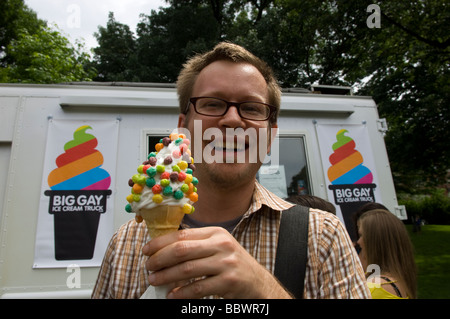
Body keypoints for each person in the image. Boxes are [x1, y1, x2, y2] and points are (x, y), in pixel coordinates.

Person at [92, 42, 370, 299]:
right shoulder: (125, 245)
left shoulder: (323, 236)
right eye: (213, 104)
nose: (233, 120)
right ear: (183, 127)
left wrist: (265, 289)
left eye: (251, 107)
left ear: (270, 136)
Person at [356, 209, 417, 299]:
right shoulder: (400, 280)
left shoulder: (374, 288)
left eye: (362, 236)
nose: (358, 242)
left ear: (375, 243)